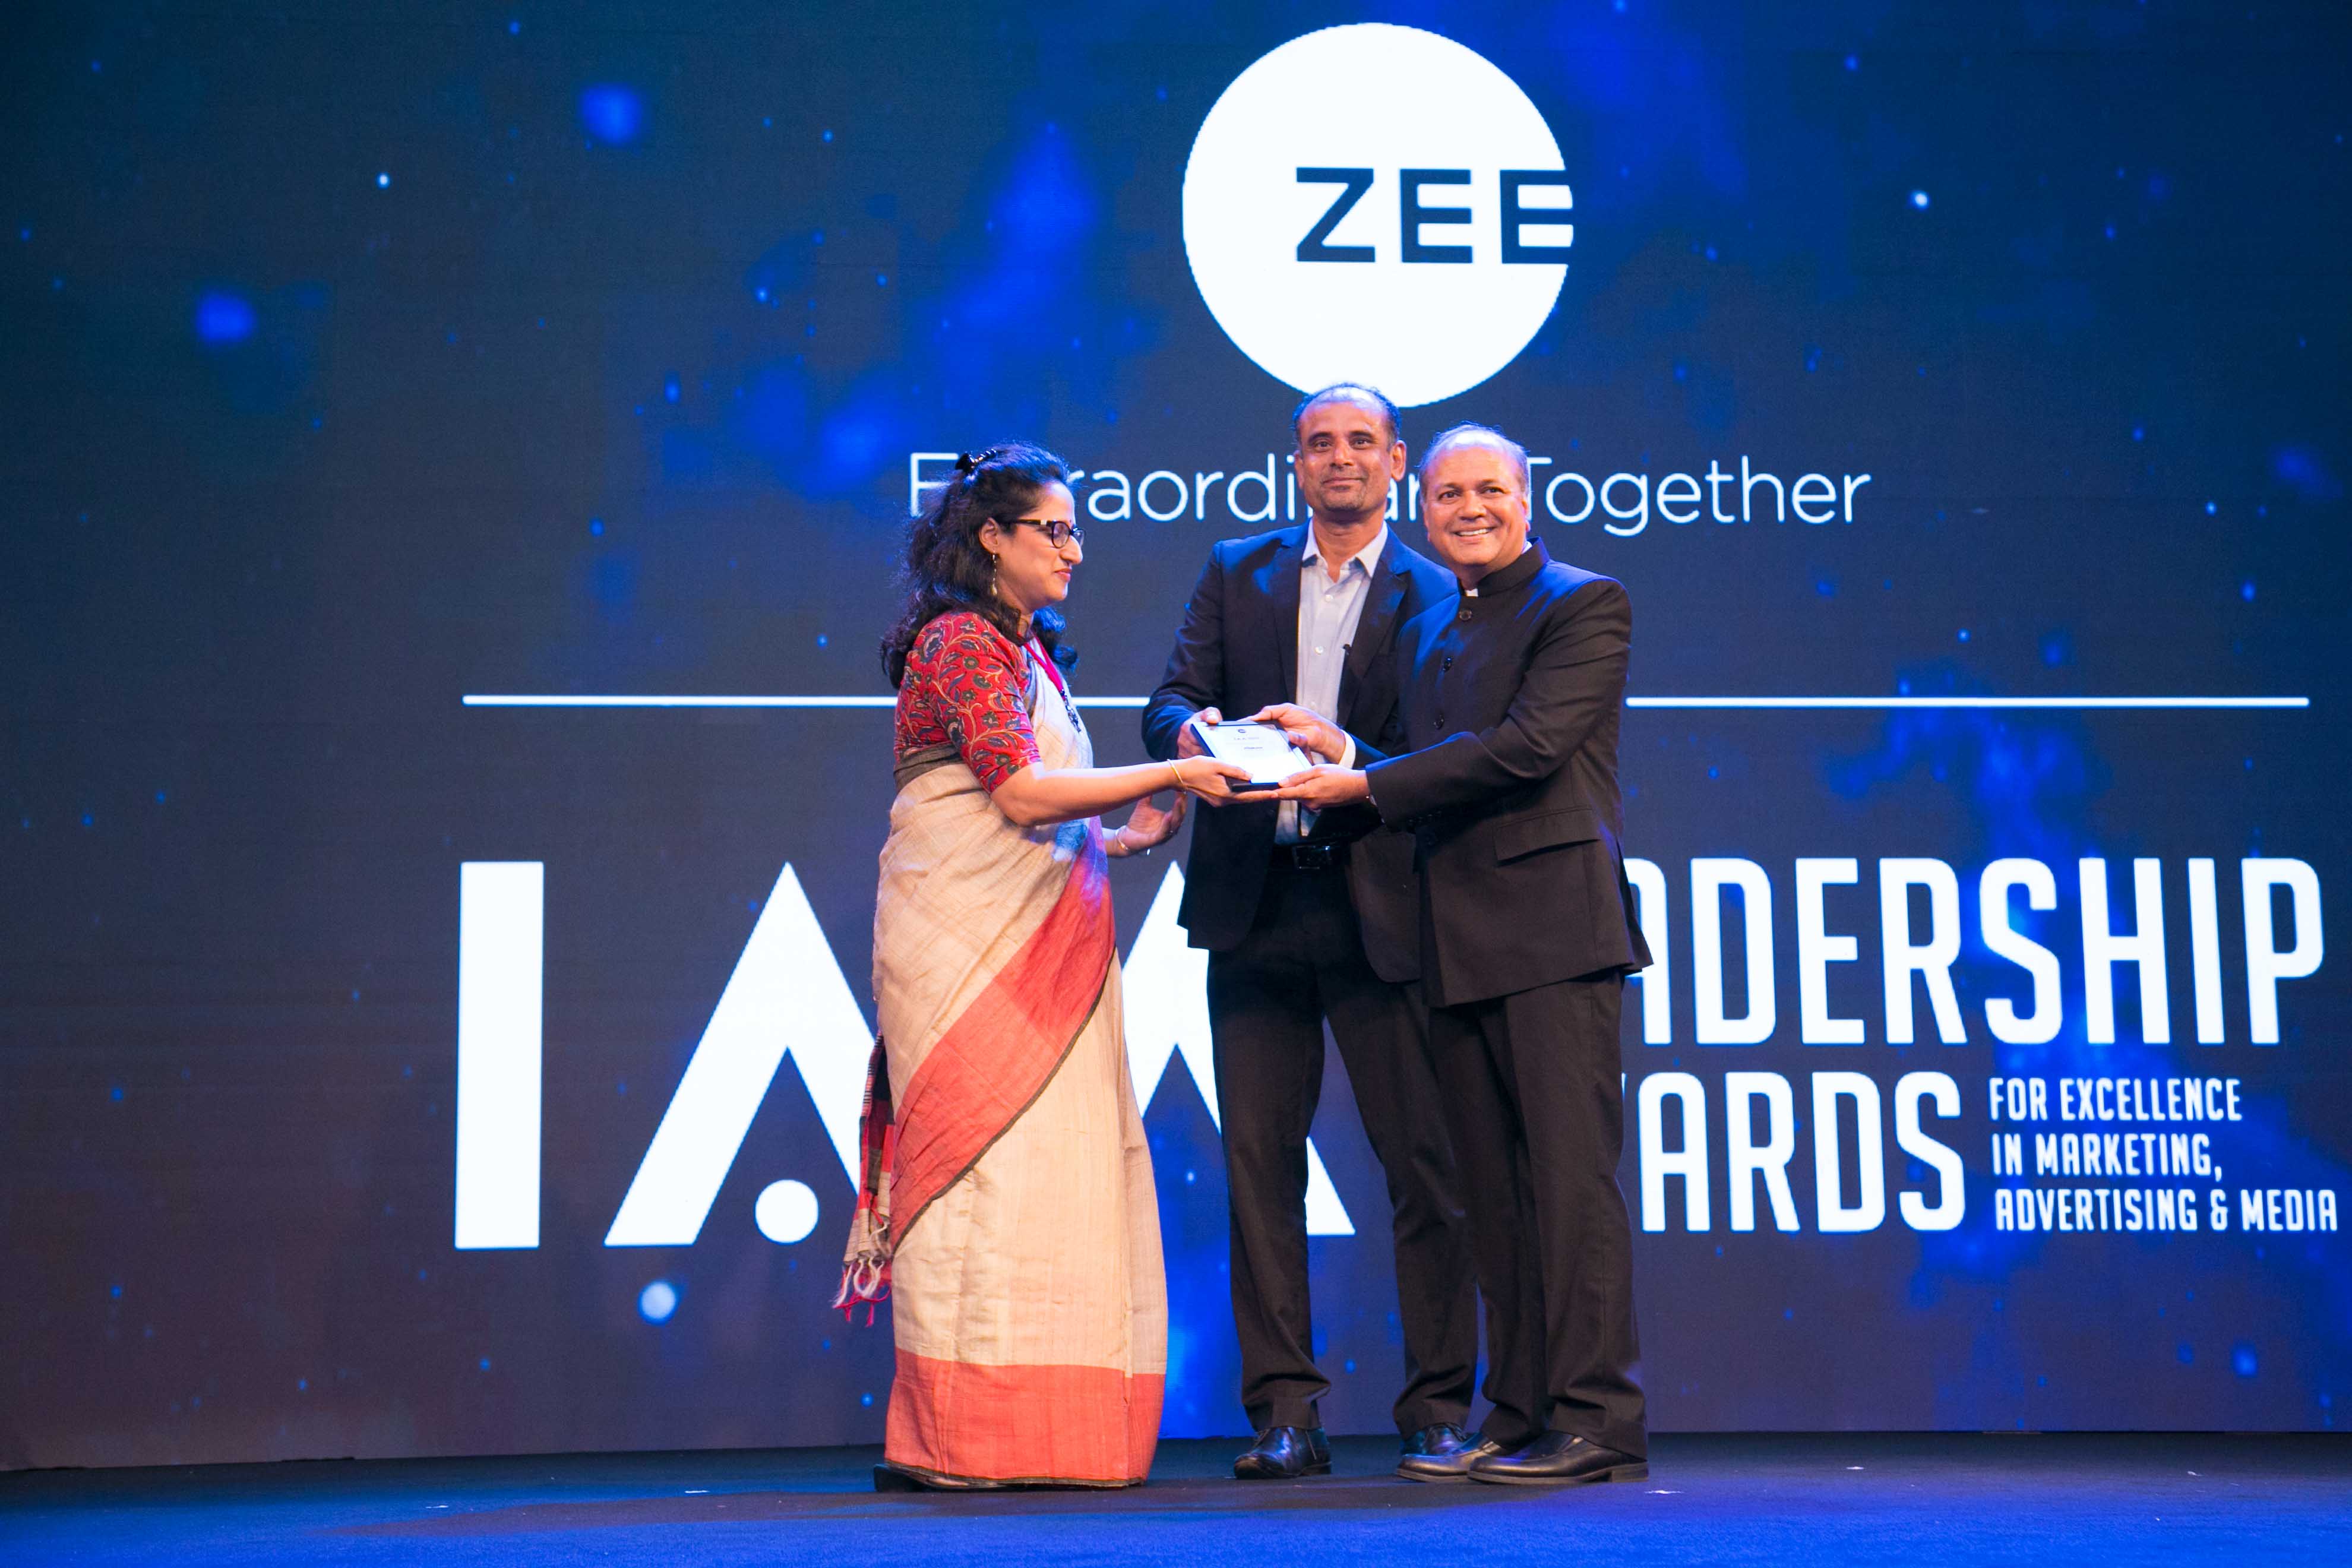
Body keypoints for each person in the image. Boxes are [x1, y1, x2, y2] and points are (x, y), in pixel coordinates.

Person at [840, 442, 1251, 1491]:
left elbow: (1029, 818)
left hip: (1045, 947)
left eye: (1076, 531)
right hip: (964, 950)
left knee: (1052, 1181)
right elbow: (1018, 797)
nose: (1076, 550)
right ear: (993, 537)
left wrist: (1124, 836)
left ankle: (1044, 1438)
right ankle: (958, 1441)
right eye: (1055, 531)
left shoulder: (1028, 652)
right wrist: (1174, 772)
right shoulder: (960, 643)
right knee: (981, 1175)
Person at [1258, 423, 1652, 1487]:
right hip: (1453, 941)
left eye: (1489, 491)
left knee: (1569, 1185)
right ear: (1421, 508)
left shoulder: (1584, 603)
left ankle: (1599, 1420)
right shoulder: (1435, 624)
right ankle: (1521, 1414)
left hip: (1554, 934)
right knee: (1494, 1193)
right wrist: (1347, 752)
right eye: (1447, 495)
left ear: (1527, 500)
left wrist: (1366, 783)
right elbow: (1426, 765)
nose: (1469, 509)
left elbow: (1527, 748)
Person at [1142, 385, 1480, 1482]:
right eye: (1320, 443)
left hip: (1384, 903)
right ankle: (1285, 1413)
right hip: (1256, 902)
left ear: (1397, 462)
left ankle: (1438, 1410)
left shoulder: (1440, 589)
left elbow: (1454, 746)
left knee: (1425, 1165)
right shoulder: (1235, 570)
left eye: (1361, 443)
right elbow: (1170, 698)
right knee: (1259, 1170)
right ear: (1296, 462)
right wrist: (1192, 732)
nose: (1341, 459)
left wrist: (1351, 757)